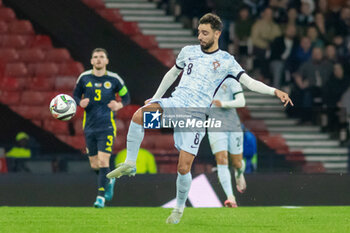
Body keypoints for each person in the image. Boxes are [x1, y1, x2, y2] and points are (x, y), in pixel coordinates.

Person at [107, 13, 293, 224]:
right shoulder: (188, 52)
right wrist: (157, 97)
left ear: (217, 33)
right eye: (199, 32)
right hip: (176, 105)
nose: (200, 37)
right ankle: (131, 163)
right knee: (139, 115)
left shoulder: (226, 61)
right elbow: (171, 75)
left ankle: (178, 208)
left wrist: (274, 91)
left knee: (183, 168)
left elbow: (249, 83)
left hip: (195, 117)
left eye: (205, 33)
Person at [73, 48, 130, 208]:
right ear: (91, 61)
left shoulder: (114, 79)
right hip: (89, 127)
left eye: (101, 57)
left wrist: (119, 104)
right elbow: (75, 95)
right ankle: (109, 179)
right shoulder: (84, 78)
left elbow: (126, 96)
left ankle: (100, 198)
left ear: (107, 61)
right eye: (95, 57)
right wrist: (79, 102)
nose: (98, 59)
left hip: (106, 127)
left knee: (104, 160)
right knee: (94, 164)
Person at [207, 78, 246, 208]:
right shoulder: (204, 80)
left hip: (233, 124)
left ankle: (239, 173)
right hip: (215, 124)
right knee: (222, 160)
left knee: (237, 163)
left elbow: (242, 101)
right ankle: (230, 198)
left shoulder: (233, 81)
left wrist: (222, 104)